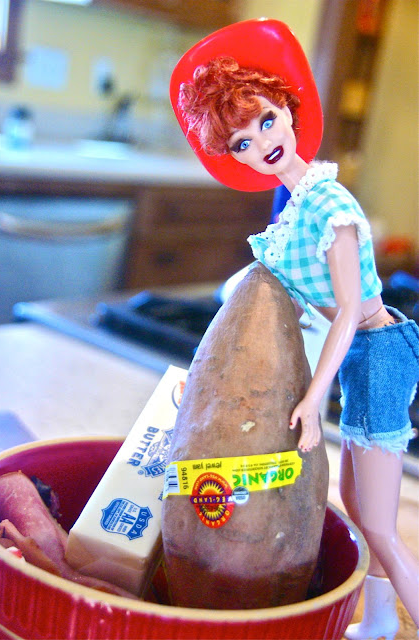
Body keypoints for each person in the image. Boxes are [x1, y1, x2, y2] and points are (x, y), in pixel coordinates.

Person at [171, 20, 419, 639]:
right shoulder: (297, 208)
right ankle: (379, 623)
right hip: (360, 356)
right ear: (235, 158)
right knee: (359, 512)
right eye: (241, 141)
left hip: (377, 352)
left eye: (266, 119)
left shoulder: (330, 206)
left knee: (380, 526)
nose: (262, 141)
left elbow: (350, 309)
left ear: (289, 110)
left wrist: (314, 396)